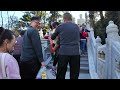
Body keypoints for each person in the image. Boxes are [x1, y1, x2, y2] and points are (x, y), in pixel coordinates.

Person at [51, 13, 80, 79]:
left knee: (61, 73)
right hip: (75, 52)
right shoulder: (76, 26)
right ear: (71, 18)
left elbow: (52, 37)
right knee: (74, 73)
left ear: (64, 19)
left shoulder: (60, 26)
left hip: (63, 52)